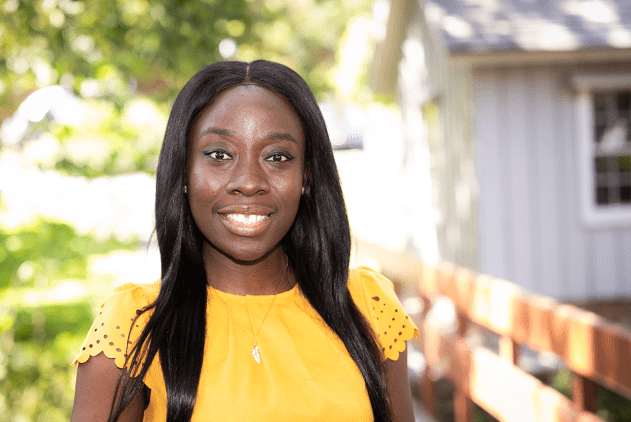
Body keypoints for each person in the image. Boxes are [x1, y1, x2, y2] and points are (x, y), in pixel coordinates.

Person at [70, 60, 419, 422]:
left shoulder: (367, 305)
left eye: (277, 157)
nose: (249, 181)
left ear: (306, 175)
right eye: (219, 155)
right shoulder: (133, 326)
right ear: (184, 169)